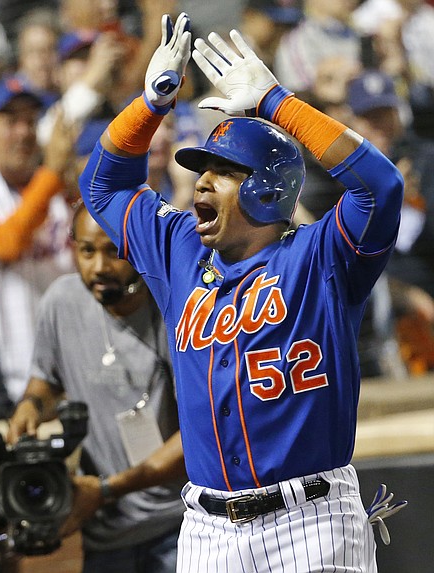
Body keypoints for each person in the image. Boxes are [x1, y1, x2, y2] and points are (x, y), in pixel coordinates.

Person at [79, 12, 404, 572]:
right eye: (201, 170)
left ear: (268, 188)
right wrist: (149, 105)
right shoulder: (179, 248)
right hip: (206, 529)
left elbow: (381, 185)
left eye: (223, 171)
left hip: (313, 520)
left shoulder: (323, 255)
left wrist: (278, 102)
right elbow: (102, 184)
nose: (201, 182)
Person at [7, 201, 185, 572]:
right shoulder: (62, 300)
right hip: (105, 534)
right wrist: (31, 407)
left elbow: (198, 435)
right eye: (87, 251)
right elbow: (46, 380)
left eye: (113, 252)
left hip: (178, 526)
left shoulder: (175, 306)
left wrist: (106, 489)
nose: (99, 267)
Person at [0, 76, 76, 403]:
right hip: (16, 376)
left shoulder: (56, 189)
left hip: (74, 365)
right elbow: (4, 244)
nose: (24, 132)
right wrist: (53, 178)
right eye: (10, 121)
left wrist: (69, 185)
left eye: (30, 121)